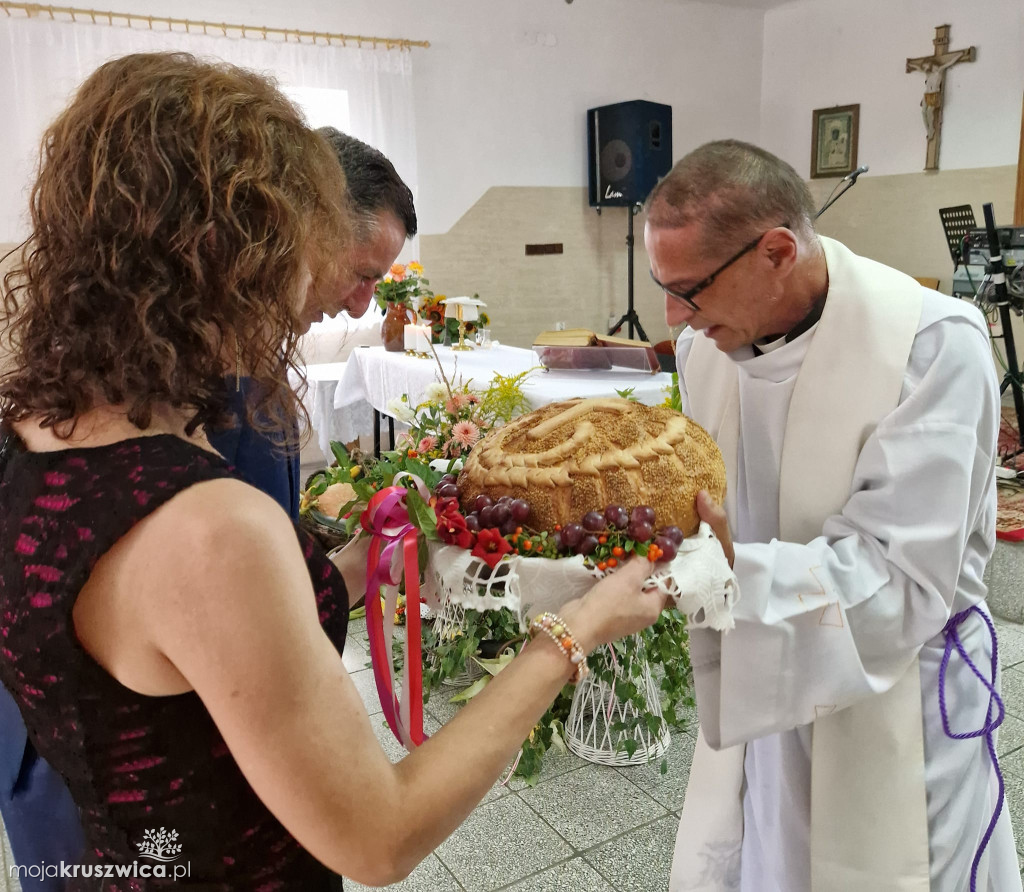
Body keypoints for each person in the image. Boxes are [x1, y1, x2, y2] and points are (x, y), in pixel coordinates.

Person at [0, 52, 667, 889]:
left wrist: (365, 561)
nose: (314, 286)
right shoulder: (205, 524)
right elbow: (379, 836)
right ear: (227, 250)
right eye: (303, 242)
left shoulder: (42, 430)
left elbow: (191, 649)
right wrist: (574, 633)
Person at [644, 139, 1020, 892]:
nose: (672, 314)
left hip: (892, 684)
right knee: (766, 850)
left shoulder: (932, 346)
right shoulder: (703, 346)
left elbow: (900, 575)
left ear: (777, 251)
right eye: (663, 286)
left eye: (689, 288)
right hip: (761, 673)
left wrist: (719, 575)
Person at [206, 128, 416, 520]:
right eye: (362, 275)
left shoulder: (260, 351)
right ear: (307, 227)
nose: (359, 308)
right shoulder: (205, 371)